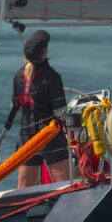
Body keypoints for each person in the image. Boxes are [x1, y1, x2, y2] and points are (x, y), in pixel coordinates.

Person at [12, 30, 70, 188]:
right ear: (44, 52)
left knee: (24, 188)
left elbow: (15, 105)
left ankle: (24, 212)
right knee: (64, 185)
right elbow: (61, 113)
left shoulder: (18, 76)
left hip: (26, 134)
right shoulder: (52, 77)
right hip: (49, 135)